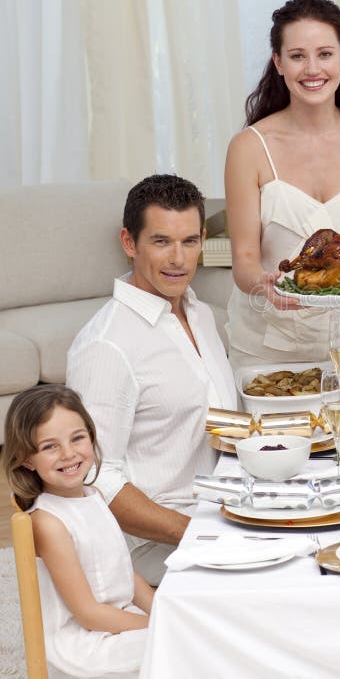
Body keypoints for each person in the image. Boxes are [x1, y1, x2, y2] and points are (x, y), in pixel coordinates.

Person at [67, 175, 237, 585]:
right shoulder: (106, 346)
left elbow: (218, 419)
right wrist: (193, 533)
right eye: (161, 241)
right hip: (154, 545)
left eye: (190, 242)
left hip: (222, 511)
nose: (179, 259)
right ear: (129, 243)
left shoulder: (200, 313)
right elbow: (94, 476)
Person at [225, 0, 340, 387]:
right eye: (298, 55)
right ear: (279, 63)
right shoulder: (249, 147)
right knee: (270, 449)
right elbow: (244, 261)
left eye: (324, 54)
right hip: (267, 345)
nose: (312, 69)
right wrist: (263, 284)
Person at [3, 385, 152, 678]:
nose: (68, 454)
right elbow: (88, 614)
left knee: (194, 636)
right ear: (26, 458)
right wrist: (160, 626)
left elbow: (125, 575)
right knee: (180, 646)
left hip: (113, 623)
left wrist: (166, 613)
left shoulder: (93, 495)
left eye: (77, 438)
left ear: (91, 438)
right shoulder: (48, 522)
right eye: (50, 446)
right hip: (83, 645)